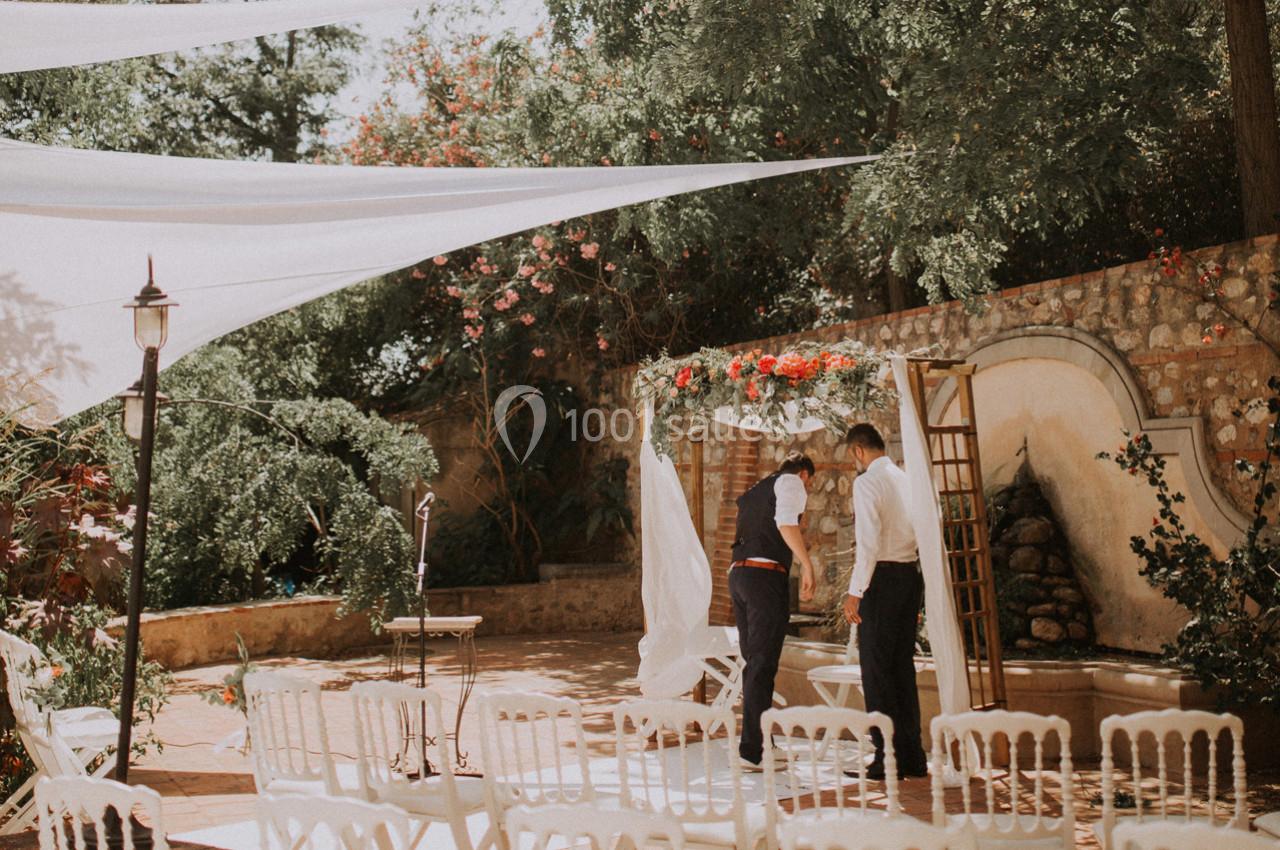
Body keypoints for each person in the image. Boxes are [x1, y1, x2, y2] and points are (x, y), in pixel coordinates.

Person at [842, 423, 929, 780]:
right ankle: (912, 755)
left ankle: (885, 756)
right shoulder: (907, 478)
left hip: (881, 579)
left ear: (858, 451)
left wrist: (855, 591)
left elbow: (868, 543)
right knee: (901, 668)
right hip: (910, 577)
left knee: (876, 670)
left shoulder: (867, 483)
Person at [729, 450, 817, 771]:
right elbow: (785, 523)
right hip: (765, 578)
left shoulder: (756, 490)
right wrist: (806, 564)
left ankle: (760, 742)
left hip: (738, 575)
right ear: (804, 474)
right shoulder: (792, 482)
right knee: (763, 663)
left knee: (754, 664)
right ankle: (752, 752)